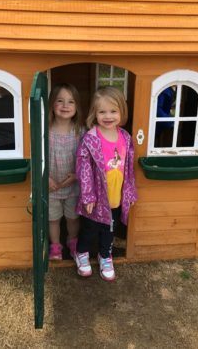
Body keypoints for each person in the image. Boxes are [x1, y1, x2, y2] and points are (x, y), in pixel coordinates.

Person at [74, 86, 137, 281]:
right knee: (90, 228)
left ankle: (105, 255)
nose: (108, 116)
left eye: (113, 111)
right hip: (96, 197)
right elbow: (83, 168)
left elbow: (129, 168)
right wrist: (88, 195)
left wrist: (130, 192)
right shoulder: (90, 139)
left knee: (110, 229)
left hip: (115, 196)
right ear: (95, 113)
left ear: (121, 113)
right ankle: (82, 253)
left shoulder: (126, 138)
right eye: (102, 111)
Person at [48, 83, 84, 260]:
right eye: (60, 101)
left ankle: (72, 242)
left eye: (71, 102)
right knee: (53, 218)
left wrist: (77, 176)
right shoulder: (44, 131)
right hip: (51, 186)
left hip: (73, 185)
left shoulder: (80, 131)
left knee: (72, 218)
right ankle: (55, 247)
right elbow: (36, 156)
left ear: (77, 107)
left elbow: (86, 160)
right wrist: (45, 177)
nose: (65, 105)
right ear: (52, 105)